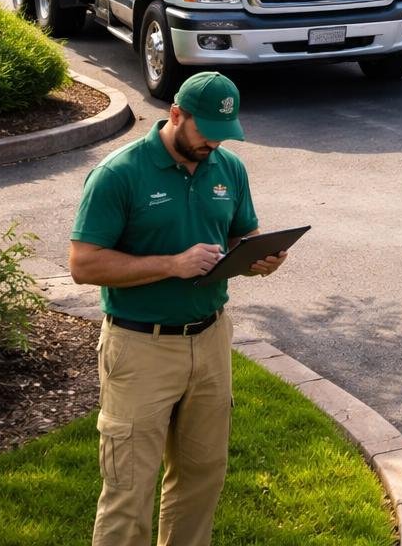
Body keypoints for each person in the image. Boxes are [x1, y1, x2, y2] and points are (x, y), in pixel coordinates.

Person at [69, 71, 287, 546]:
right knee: (128, 490)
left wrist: (258, 258)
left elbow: (241, 235)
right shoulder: (119, 174)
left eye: (223, 132)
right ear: (175, 115)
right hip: (140, 346)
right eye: (205, 129)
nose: (214, 141)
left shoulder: (228, 169)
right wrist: (173, 264)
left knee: (202, 477)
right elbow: (83, 264)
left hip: (210, 340)